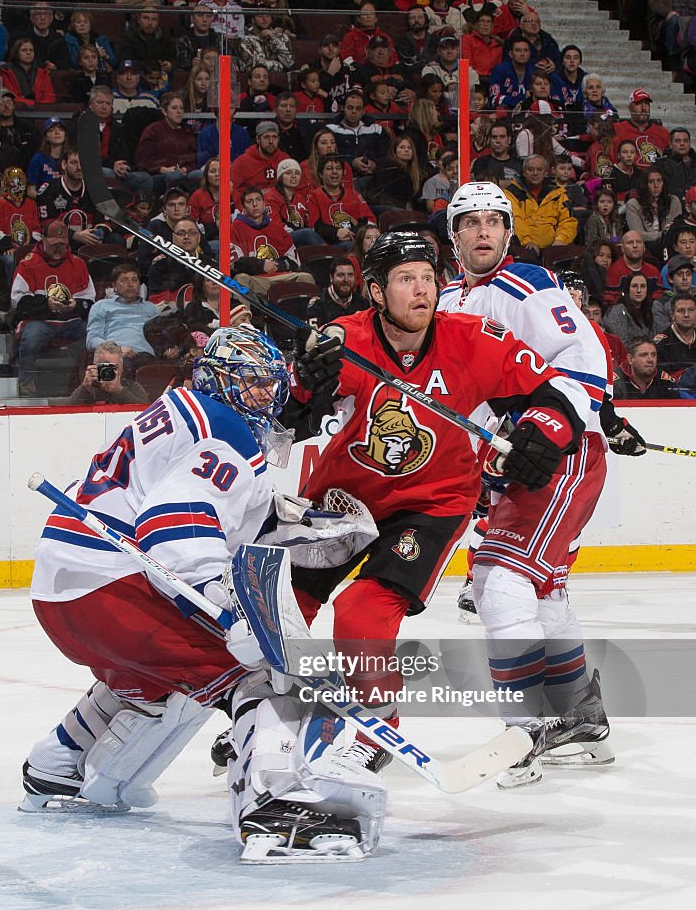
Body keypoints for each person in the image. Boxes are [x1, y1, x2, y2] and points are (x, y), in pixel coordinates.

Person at [21, 324, 383, 860]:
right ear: (222, 380)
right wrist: (225, 602)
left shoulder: (181, 411)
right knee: (265, 672)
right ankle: (274, 807)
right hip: (115, 587)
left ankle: (56, 766)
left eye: (271, 386)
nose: (269, 398)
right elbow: (175, 519)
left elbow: (213, 511)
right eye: (255, 385)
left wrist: (301, 525)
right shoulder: (227, 429)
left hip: (62, 588)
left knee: (151, 682)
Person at [281, 230, 589, 772]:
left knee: (360, 610)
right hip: (340, 497)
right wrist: (305, 381)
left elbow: (558, 390)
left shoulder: (474, 339)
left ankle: (376, 728)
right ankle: (269, 715)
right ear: (375, 292)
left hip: (432, 502)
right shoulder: (343, 338)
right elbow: (289, 417)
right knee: (281, 610)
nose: (422, 291)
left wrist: (543, 432)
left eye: (428, 277)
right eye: (405, 280)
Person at [438, 182, 616, 789]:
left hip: (558, 457)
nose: (484, 232)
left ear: (508, 233)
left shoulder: (529, 285)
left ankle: (524, 732)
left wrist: (545, 428)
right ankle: (579, 719)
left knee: (500, 583)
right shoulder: (442, 301)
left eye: (494, 222)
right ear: (454, 236)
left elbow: (584, 360)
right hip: (509, 465)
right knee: (538, 593)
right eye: (471, 223)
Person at [11, 219, 95, 398]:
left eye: (62, 245)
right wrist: (46, 305)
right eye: (54, 244)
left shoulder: (77, 264)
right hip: (40, 322)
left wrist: (76, 305)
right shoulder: (28, 264)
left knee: (92, 335)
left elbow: (89, 299)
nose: (58, 249)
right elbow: (18, 301)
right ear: (43, 240)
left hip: (71, 321)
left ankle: (82, 383)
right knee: (32, 336)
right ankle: (27, 383)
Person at [229, 186, 315, 296]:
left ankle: (310, 313)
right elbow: (235, 263)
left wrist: (276, 265)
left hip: (282, 277)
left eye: (258, 200)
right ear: (243, 208)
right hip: (257, 280)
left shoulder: (277, 228)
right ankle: (244, 313)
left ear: (264, 204)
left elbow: (294, 261)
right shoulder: (235, 228)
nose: (255, 204)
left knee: (305, 277)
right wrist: (261, 264)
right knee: (240, 279)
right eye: (250, 201)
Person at [86, 263, 161, 376]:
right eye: (124, 280)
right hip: (113, 356)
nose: (130, 284)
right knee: (107, 376)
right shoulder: (101, 306)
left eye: (134, 280)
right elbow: (92, 340)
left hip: (147, 358)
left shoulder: (152, 308)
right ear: (114, 286)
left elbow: (163, 337)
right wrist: (116, 350)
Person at [36, 146, 114, 249]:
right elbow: (47, 225)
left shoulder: (96, 189)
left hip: (91, 237)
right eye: (74, 163)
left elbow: (106, 220)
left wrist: (97, 234)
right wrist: (75, 235)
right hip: (62, 240)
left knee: (116, 239)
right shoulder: (48, 190)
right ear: (64, 164)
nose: (79, 167)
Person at [505, 154, 578, 255]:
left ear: (546, 173)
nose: (535, 173)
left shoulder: (557, 193)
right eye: (531, 169)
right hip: (523, 249)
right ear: (524, 172)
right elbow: (516, 220)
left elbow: (568, 221)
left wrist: (561, 240)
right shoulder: (512, 193)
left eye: (539, 170)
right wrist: (527, 241)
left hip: (554, 249)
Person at [134, 92, 202, 194]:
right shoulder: (153, 130)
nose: (179, 112)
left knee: (199, 174)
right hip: (159, 174)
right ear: (165, 111)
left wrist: (186, 169)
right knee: (174, 176)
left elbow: (192, 160)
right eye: (174, 108)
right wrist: (163, 169)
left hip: (183, 173)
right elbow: (142, 160)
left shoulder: (187, 132)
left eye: (181, 108)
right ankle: (170, 204)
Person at [307, 154, 376, 247]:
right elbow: (314, 226)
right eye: (329, 168)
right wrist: (336, 232)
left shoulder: (354, 195)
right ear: (320, 174)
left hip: (355, 240)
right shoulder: (314, 196)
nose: (334, 171)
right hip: (331, 245)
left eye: (338, 168)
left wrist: (351, 233)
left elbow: (368, 220)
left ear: (343, 173)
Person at [328, 91, 390, 190]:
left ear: (363, 111)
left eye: (358, 108)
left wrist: (375, 165)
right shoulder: (330, 130)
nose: (354, 111)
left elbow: (388, 156)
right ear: (343, 109)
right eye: (350, 108)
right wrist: (351, 163)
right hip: (341, 180)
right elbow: (326, 157)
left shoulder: (376, 129)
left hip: (373, 181)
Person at [65, 341, 149, 405]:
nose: (110, 371)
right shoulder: (88, 389)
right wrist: (84, 387)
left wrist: (120, 391)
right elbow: (64, 412)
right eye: (106, 367)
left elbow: (146, 413)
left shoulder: (132, 387)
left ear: (122, 368)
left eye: (114, 367)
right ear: (95, 366)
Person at [624, 165, 682, 257]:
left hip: (671, 245)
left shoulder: (673, 201)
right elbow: (638, 235)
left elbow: (677, 229)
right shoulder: (633, 205)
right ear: (645, 184)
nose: (656, 185)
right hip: (647, 247)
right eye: (651, 182)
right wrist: (662, 234)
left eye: (659, 181)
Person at [264, 158, 322, 247]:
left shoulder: (301, 198)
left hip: (301, 239)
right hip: (280, 239)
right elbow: (275, 226)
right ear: (280, 177)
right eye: (288, 173)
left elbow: (310, 223)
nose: (294, 176)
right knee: (306, 234)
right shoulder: (270, 197)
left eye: (297, 173)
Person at [231, 121, 289, 200]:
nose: (271, 141)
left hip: (280, 206)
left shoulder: (285, 160)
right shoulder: (242, 162)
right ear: (258, 139)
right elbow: (230, 188)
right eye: (266, 137)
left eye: (274, 137)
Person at [306, 257, 369, 328]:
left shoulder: (363, 304)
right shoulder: (317, 305)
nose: (346, 280)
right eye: (341, 275)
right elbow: (315, 336)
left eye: (350, 275)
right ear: (331, 278)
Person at [614, 89, 670, 168]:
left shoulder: (663, 132)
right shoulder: (617, 129)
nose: (644, 108)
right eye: (638, 103)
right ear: (630, 108)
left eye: (647, 104)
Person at [604, 229, 662, 305]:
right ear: (622, 248)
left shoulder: (653, 271)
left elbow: (659, 298)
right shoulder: (613, 271)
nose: (635, 245)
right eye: (630, 242)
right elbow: (610, 301)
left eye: (638, 242)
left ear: (644, 248)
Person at [115, 5, 176, 74]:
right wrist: (151, 66)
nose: (150, 23)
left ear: (158, 21)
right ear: (139, 20)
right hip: (136, 76)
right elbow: (125, 61)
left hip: (160, 77)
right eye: (146, 18)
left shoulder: (166, 38)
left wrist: (170, 65)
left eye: (154, 19)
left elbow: (174, 59)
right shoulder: (127, 37)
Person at [0, 36, 56, 108]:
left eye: (31, 50)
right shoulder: (6, 72)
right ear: (16, 53)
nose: (28, 52)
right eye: (24, 50)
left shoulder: (42, 73)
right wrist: (32, 103)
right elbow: (10, 97)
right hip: (16, 109)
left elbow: (49, 97)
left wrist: (37, 106)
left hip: (40, 111)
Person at [613, 337, 679, 398]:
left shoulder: (665, 381)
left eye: (653, 355)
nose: (650, 360)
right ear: (630, 359)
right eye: (643, 355)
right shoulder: (615, 383)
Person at [603, 272, 658, 342]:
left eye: (643, 286)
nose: (639, 290)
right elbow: (622, 343)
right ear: (627, 289)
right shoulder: (618, 311)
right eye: (634, 286)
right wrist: (653, 341)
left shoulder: (649, 310)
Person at [488, 36, 535, 109]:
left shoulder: (534, 71)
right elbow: (494, 99)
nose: (522, 54)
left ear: (529, 54)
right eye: (518, 50)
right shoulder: (500, 70)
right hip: (505, 114)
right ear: (511, 54)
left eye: (525, 50)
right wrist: (522, 98)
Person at [472, 120, 522, 187]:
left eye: (502, 137)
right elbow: (487, 185)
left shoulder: (520, 164)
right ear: (489, 140)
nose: (498, 141)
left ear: (509, 139)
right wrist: (517, 183)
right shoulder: (481, 163)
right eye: (494, 137)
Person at [654, 292, 696, 371]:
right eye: (681, 310)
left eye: (691, 310)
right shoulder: (661, 344)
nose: (686, 314)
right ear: (672, 315)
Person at [654, 255, 696, 330]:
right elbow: (664, 334)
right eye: (680, 274)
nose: (685, 278)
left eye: (688, 274)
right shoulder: (661, 304)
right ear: (670, 279)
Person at [462, 6, 505, 81]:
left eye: (489, 22)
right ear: (476, 25)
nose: (485, 24)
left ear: (492, 26)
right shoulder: (467, 39)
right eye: (482, 21)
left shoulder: (498, 44)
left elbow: (499, 68)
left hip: (493, 80)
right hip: (472, 78)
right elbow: (466, 65)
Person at [175, 1, 220, 70]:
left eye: (208, 16)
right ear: (192, 18)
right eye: (200, 15)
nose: (204, 19)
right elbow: (182, 63)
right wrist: (191, 64)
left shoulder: (219, 38)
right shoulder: (184, 40)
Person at [656, 128, 696, 204]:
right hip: (671, 206)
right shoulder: (660, 164)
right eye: (678, 141)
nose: (682, 144)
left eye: (685, 141)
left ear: (690, 143)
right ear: (670, 144)